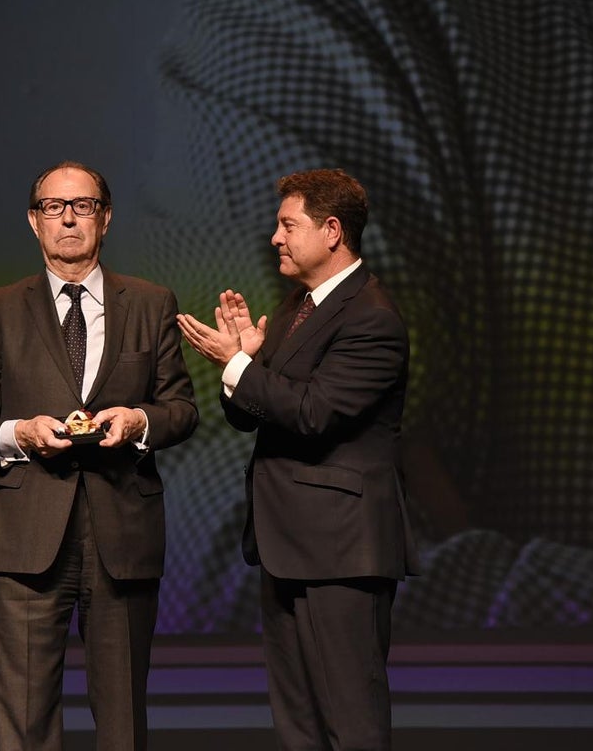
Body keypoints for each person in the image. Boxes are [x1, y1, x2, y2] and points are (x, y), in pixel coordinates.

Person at [0, 160, 198, 750]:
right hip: (26, 534)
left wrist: (139, 420)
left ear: (104, 219)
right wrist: (21, 434)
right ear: (34, 222)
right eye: (54, 207)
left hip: (122, 533)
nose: (68, 218)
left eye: (82, 206)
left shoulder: (151, 302)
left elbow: (182, 410)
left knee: (122, 720)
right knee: (26, 715)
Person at [177, 168, 417, 750]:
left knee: (351, 720)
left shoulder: (372, 318)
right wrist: (246, 366)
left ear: (332, 231)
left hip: (340, 549)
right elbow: (253, 416)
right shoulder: (294, 309)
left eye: (289, 225)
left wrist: (236, 366)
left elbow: (314, 415)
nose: (275, 238)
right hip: (286, 542)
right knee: (298, 722)